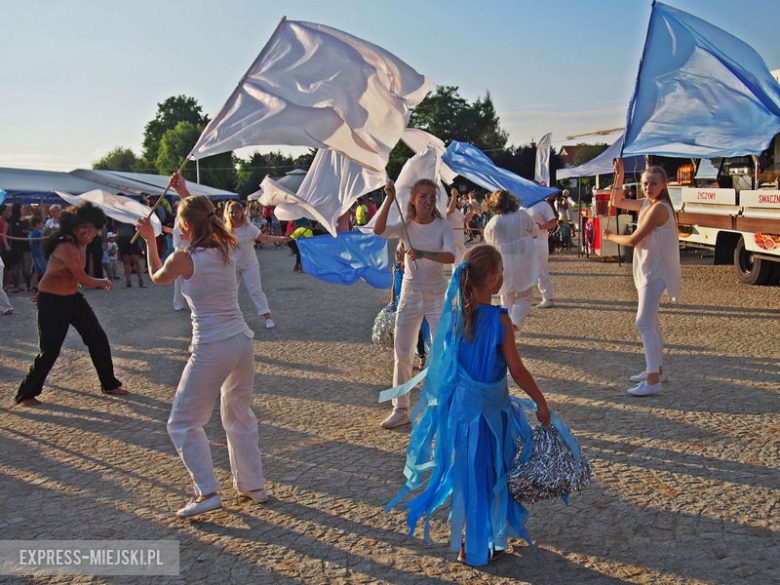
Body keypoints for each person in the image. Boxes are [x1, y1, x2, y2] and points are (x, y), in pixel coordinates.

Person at [386, 244, 550, 566]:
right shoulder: (501, 322)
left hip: (462, 417)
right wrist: (540, 402)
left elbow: (444, 366)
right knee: (490, 472)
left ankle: (472, 540)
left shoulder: (455, 318)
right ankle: (478, 544)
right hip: (490, 417)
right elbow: (516, 369)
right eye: (501, 272)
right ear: (492, 279)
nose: (503, 277)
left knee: (468, 476)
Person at [135, 171, 267, 518]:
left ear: (185, 228)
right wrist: (182, 193)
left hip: (213, 346)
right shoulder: (227, 246)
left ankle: (207, 492)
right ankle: (253, 485)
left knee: (182, 422)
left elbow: (156, 276)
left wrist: (150, 239)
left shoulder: (182, 258)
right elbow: (200, 215)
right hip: (241, 341)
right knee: (239, 415)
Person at [13, 202, 126, 406]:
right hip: (52, 300)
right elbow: (82, 278)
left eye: (90, 228)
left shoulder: (80, 245)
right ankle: (26, 394)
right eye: (83, 228)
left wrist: (85, 246)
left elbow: (78, 279)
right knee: (50, 349)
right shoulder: (65, 246)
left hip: (73, 298)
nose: (87, 232)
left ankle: (109, 384)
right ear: (73, 228)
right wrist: (103, 281)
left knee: (97, 338)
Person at [374, 179, 455, 428]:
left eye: (432, 197)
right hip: (410, 293)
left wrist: (424, 253)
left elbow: (451, 256)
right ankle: (400, 408)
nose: (429, 202)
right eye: (423, 197)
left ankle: (445, 404)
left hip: (436, 293)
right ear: (413, 200)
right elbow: (378, 229)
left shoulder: (443, 226)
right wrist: (388, 198)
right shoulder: (405, 225)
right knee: (403, 350)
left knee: (443, 350)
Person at [603, 159, 681, 396]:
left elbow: (634, 239)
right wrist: (621, 174)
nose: (648, 187)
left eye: (653, 183)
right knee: (652, 321)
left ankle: (652, 380)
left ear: (663, 185)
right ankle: (656, 369)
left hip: (656, 269)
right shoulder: (649, 202)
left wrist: (610, 237)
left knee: (644, 322)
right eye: (646, 183)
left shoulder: (659, 208)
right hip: (649, 267)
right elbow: (617, 201)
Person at [223, 201, 288, 329]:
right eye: (231, 213)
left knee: (255, 290)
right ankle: (229, 319)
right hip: (233, 266)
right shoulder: (226, 230)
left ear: (241, 213)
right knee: (230, 292)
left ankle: (267, 317)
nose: (234, 215)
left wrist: (280, 239)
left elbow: (264, 239)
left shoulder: (249, 228)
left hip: (249, 265)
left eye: (236, 212)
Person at [483, 190, 540, 333]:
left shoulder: (493, 223)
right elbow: (534, 232)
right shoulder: (522, 215)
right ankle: (513, 325)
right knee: (525, 296)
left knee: (506, 298)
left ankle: (505, 329)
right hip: (524, 260)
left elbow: (489, 243)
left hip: (504, 263)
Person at [527, 196, 558, 308]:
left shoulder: (543, 205)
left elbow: (553, 223)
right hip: (525, 241)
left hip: (539, 241)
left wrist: (542, 226)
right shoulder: (522, 205)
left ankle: (548, 297)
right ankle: (526, 297)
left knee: (541, 269)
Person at [116, 200, 145, 288]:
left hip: (132, 239)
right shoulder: (117, 214)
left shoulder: (131, 214)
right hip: (123, 240)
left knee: (135, 260)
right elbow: (116, 228)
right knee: (126, 261)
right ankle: (128, 281)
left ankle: (140, 281)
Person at [29, 216, 46, 292]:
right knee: (44, 270)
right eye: (41, 223)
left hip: (34, 253)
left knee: (36, 271)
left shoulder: (32, 233)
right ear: (37, 224)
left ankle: (34, 286)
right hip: (39, 253)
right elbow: (43, 239)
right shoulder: (38, 233)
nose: (42, 225)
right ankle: (45, 285)